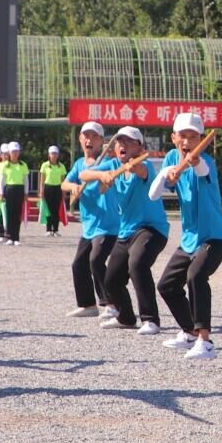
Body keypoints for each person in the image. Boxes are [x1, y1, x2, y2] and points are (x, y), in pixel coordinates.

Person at [150, 113, 222, 359]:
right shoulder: (172, 158)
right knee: (167, 285)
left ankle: (205, 342)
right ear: (174, 137)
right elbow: (153, 195)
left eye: (193, 136)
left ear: (200, 139)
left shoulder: (205, 161)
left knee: (196, 276)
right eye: (182, 136)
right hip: (189, 240)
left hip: (214, 237)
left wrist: (193, 162)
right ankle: (189, 332)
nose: (187, 141)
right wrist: (166, 174)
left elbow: (201, 169)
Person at [79, 128, 169, 333]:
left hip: (151, 228)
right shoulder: (112, 165)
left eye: (128, 142)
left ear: (139, 146)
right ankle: (126, 317)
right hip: (126, 231)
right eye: (119, 142)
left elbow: (140, 170)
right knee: (111, 278)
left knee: (137, 264)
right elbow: (84, 174)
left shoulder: (144, 165)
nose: (122, 145)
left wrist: (127, 167)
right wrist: (103, 175)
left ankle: (150, 319)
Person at [63, 124, 117, 319]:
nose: (90, 140)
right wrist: (73, 188)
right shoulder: (79, 164)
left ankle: (110, 303)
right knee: (78, 264)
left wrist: (103, 178)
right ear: (80, 139)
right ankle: (87, 305)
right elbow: (65, 183)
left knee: (96, 260)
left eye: (95, 137)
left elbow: (108, 181)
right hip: (89, 226)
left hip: (108, 225)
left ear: (101, 142)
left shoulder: (109, 163)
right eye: (86, 136)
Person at [1, 141, 27, 245]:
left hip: (19, 189)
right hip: (9, 189)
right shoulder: (5, 165)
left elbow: (26, 180)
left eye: (17, 151)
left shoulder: (23, 165)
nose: (15, 153)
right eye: (13, 151)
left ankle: (16, 237)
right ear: (9, 153)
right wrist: (1, 193)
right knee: (9, 213)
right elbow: (2, 181)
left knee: (17, 214)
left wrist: (26, 193)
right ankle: (9, 237)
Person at [40, 145, 68, 236]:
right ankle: (48, 229)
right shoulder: (45, 165)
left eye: (55, 153)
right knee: (48, 209)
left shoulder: (61, 166)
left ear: (58, 155)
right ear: (49, 155)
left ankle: (55, 229)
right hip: (48, 188)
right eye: (52, 153)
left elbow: (63, 180)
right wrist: (41, 190)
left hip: (58, 189)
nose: (54, 155)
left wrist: (64, 193)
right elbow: (42, 179)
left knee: (56, 210)